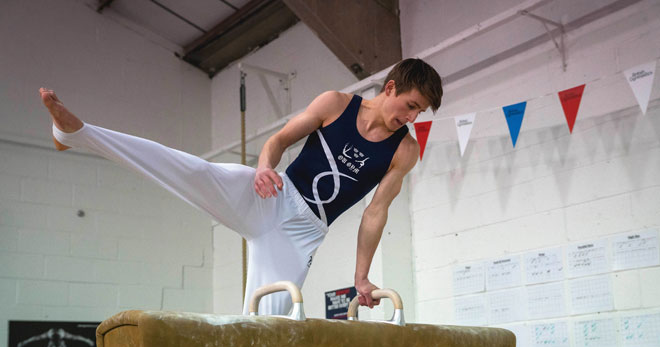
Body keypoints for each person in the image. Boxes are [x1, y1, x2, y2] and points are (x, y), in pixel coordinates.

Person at [39, 58, 442, 315]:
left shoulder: (403, 150)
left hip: (303, 235)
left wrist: (361, 278)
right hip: (271, 195)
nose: (411, 117)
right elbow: (278, 141)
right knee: (191, 171)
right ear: (390, 87)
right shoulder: (336, 103)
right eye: (410, 105)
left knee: (267, 327)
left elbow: (376, 212)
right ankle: (76, 134)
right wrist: (265, 167)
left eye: (419, 112)